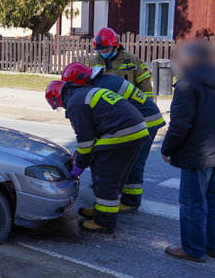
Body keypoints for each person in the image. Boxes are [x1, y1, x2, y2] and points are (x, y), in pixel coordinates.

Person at [161, 40, 215, 263]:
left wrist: (167, 149)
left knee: (192, 202)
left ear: (190, 59)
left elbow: (180, 125)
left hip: (197, 154)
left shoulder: (187, 84)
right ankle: (213, 246)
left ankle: (193, 249)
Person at [45, 80, 149, 232]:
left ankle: (104, 222)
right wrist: (82, 153)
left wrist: (79, 165)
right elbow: (95, 128)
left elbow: (85, 140)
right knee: (116, 177)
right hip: (135, 131)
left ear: (57, 98)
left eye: (59, 107)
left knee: (104, 177)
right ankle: (102, 210)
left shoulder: (75, 103)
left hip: (120, 134)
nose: (62, 108)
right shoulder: (83, 92)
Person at [61, 62, 165, 211]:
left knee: (134, 161)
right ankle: (115, 195)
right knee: (126, 159)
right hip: (141, 118)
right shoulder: (102, 81)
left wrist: (85, 151)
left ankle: (130, 201)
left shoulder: (102, 86)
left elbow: (108, 118)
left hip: (146, 120)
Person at [87, 28, 154, 98]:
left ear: (116, 46)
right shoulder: (94, 62)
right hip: (104, 103)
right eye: (101, 50)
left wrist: (147, 104)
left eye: (107, 49)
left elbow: (144, 84)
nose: (104, 52)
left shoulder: (132, 60)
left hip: (128, 103)